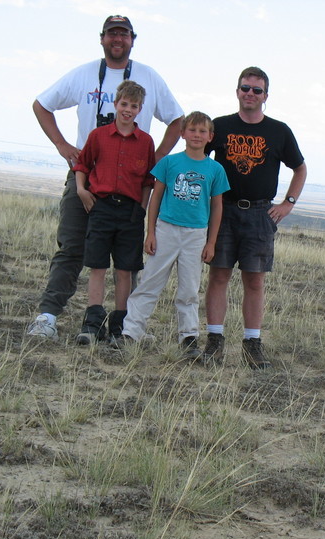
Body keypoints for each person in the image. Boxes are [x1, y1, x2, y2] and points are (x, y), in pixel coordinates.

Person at [26, 15, 184, 341]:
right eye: (112, 34)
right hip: (86, 177)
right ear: (101, 38)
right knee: (71, 247)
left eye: (123, 34)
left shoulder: (149, 78)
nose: (118, 39)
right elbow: (42, 105)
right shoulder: (84, 74)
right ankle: (47, 316)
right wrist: (61, 144)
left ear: (132, 39)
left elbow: (177, 120)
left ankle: (127, 326)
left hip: (128, 187)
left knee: (127, 259)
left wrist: (156, 160)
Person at [203, 66, 307, 369]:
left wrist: (288, 203)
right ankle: (214, 342)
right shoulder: (219, 126)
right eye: (245, 88)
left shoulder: (279, 131)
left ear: (266, 96)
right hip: (223, 210)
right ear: (237, 91)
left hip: (261, 213)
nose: (250, 94)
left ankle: (252, 345)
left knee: (255, 281)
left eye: (256, 90)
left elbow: (299, 169)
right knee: (218, 275)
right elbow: (198, 157)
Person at [118, 111, 229, 357]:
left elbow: (217, 205)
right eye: (192, 130)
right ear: (182, 134)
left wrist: (211, 241)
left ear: (210, 136)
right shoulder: (169, 163)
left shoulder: (215, 169)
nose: (197, 135)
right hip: (166, 229)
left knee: (189, 289)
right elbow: (156, 196)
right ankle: (131, 333)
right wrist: (151, 232)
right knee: (150, 282)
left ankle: (188, 338)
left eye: (202, 131)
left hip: (196, 234)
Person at [72, 80, 155, 345]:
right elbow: (83, 165)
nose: (128, 110)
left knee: (124, 269)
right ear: (116, 104)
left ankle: (120, 325)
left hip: (130, 212)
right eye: (124, 104)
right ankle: (93, 323)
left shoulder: (145, 142)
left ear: (140, 109)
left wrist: (141, 209)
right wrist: (82, 191)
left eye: (134, 106)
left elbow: (146, 182)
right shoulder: (98, 136)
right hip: (101, 207)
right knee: (97, 266)